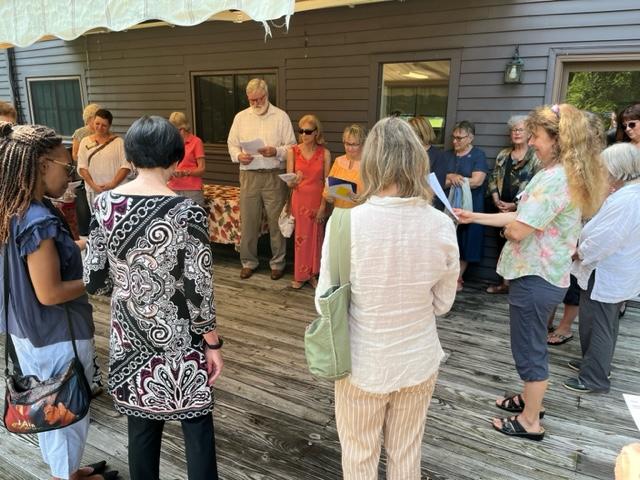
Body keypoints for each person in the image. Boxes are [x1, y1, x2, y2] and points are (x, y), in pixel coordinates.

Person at [316, 116, 459, 479]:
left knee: (360, 455)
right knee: (407, 453)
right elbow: (443, 304)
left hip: (363, 363)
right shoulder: (441, 224)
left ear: (372, 162)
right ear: (417, 161)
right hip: (418, 359)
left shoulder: (344, 223)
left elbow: (324, 301)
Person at [455, 104, 607, 441]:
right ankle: (530, 399)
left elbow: (519, 229)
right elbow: (522, 217)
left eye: (537, 136)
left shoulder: (554, 180)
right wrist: (473, 216)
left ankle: (530, 421)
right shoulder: (560, 172)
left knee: (529, 348)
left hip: (535, 277)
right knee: (532, 342)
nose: (533, 143)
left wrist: (512, 230)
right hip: (544, 275)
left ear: (558, 140)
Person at [84, 116, 223, 480]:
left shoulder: (103, 205)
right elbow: (199, 289)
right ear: (176, 159)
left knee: (141, 431)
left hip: (129, 339)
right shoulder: (187, 211)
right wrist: (213, 343)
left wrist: (129, 282)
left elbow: (94, 280)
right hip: (181, 342)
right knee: (197, 430)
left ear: (129, 156)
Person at [0, 122, 113, 480]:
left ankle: (67, 472)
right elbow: (49, 292)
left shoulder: (12, 209)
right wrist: (99, 280)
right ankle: (65, 477)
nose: (71, 176)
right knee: (63, 408)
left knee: (45, 401)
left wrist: (81, 245)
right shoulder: (37, 219)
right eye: (67, 167)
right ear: (41, 164)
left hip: (27, 330)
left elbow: (38, 261)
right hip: (55, 333)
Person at [565, 143, 640, 393]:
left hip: (605, 270)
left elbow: (607, 238)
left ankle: (594, 377)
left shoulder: (628, 199)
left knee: (598, 323)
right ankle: (595, 363)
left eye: (604, 167)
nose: (601, 171)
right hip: (608, 269)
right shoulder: (627, 194)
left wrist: (580, 252)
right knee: (600, 321)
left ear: (617, 169)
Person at [227, 78, 296, 280]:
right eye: (252, 100)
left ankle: (278, 263)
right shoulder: (241, 117)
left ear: (267, 95)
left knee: (276, 222)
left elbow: (292, 147)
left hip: (274, 176)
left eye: (259, 99)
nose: (256, 103)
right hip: (249, 175)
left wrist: (275, 151)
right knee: (248, 221)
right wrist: (239, 155)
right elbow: (232, 144)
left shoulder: (281, 116)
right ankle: (248, 262)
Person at [485, 115, 540, 294]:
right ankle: (505, 283)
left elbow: (534, 183)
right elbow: (493, 177)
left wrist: (515, 204)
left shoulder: (535, 156)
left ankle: (518, 285)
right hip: (500, 207)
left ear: (529, 132)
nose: (516, 133)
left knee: (521, 245)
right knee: (502, 245)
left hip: (523, 209)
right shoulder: (503, 154)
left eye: (520, 130)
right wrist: (495, 199)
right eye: (513, 130)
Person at [285, 114, 330, 289]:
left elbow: (327, 183)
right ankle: (300, 274)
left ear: (317, 132)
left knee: (316, 237)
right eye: (301, 131)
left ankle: (314, 274)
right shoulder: (293, 151)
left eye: (308, 131)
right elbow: (289, 181)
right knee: (301, 238)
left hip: (317, 200)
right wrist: (294, 180)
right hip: (300, 199)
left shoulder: (324, 153)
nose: (304, 135)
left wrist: (323, 206)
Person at [445, 120, 489, 291]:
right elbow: (439, 178)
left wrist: (456, 179)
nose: (455, 141)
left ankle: (458, 277)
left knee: (467, 240)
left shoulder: (478, 155)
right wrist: (451, 176)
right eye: (453, 137)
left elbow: (477, 181)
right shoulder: (447, 155)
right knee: (450, 238)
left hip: (471, 204)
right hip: (448, 205)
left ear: (470, 138)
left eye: (459, 138)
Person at [77, 109, 131, 210]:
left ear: (109, 126)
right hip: (94, 191)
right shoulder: (85, 142)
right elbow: (82, 167)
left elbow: (126, 166)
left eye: (104, 125)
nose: (100, 127)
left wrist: (113, 184)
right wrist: (93, 185)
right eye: (97, 123)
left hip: (117, 191)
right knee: (98, 220)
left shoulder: (118, 142)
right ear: (93, 122)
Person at [408, 116, 449, 210]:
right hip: (407, 206)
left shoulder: (438, 156)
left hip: (428, 207)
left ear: (420, 133)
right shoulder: (406, 154)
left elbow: (435, 188)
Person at [167, 111, 207, 207]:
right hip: (172, 188)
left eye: (176, 130)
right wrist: (170, 172)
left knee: (194, 220)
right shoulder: (170, 143)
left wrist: (186, 172)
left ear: (183, 128)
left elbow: (202, 169)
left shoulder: (196, 142)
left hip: (192, 190)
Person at [323, 124, 365, 209]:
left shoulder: (367, 165)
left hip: (358, 213)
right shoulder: (338, 161)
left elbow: (373, 194)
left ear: (362, 144)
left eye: (354, 144)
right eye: (347, 144)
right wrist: (328, 196)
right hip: (339, 210)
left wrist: (359, 198)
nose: (350, 148)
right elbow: (328, 187)